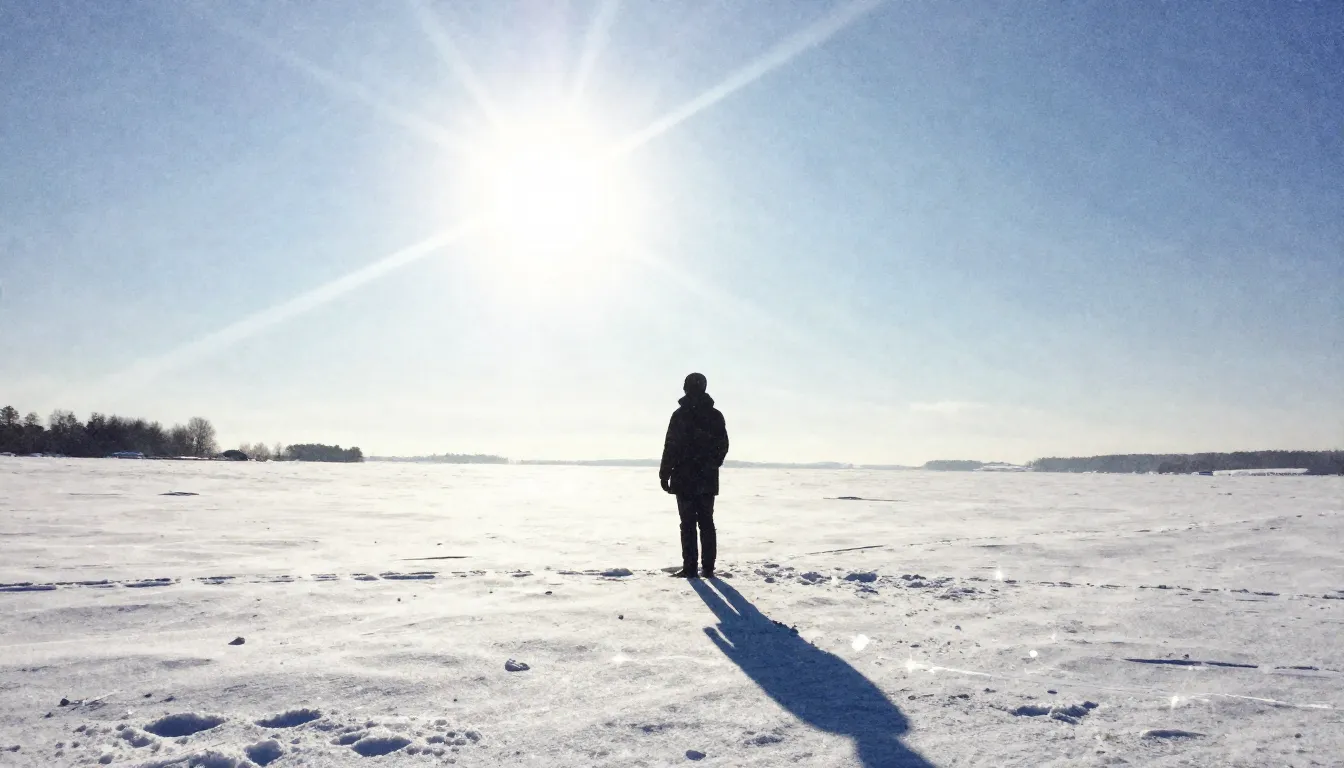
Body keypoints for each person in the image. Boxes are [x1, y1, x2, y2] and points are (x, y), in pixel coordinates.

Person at [659, 372, 729, 578]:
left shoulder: (680, 415)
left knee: (689, 523)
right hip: (704, 478)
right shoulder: (714, 415)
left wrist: (665, 473)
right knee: (706, 522)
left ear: (686, 388)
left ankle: (691, 567)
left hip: (686, 477)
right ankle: (707, 568)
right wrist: (711, 464)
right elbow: (723, 446)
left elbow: (670, 447)